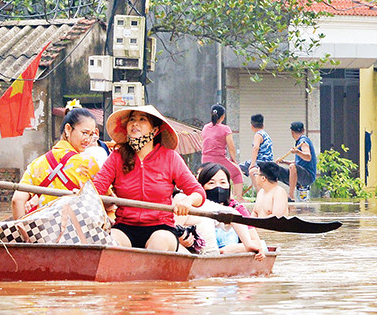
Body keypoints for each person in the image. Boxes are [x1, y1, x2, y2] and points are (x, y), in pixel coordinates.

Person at [93, 105, 207, 251]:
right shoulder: (116, 157)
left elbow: (198, 192)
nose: (135, 123)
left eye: (142, 119)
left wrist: (188, 201)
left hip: (161, 228)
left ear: (155, 130)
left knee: (159, 243)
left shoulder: (170, 158)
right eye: (132, 119)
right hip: (125, 227)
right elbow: (96, 189)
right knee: (111, 243)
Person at [11, 107, 101, 219]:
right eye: (85, 133)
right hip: (77, 231)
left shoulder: (37, 164)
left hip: (42, 232)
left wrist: (24, 235)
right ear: (68, 129)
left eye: (91, 134)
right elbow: (107, 202)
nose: (88, 139)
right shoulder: (88, 164)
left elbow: (17, 200)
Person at [195, 163, 267, 259]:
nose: (218, 187)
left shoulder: (237, 209)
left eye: (223, 182)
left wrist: (226, 250)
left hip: (229, 255)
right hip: (203, 254)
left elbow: (256, 243)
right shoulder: (195, 208)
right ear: (202, 187)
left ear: (229, 186)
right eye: (211, 183)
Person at [201, 104, 243, 200]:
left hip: (205, 159)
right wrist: (233, 159)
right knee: (237, 173)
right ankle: (239, 198)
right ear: (223, 116)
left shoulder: (205, 127)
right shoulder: (225, 128)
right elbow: (231, 146)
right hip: (218, 158)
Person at [276, 122, 317, 202]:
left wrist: (297, 152)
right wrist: (284, 161)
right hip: (300, 174)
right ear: (303, 130)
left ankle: (291, 195)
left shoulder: (303, 141)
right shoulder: (299, 141)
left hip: (308, 177)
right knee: (276, 169)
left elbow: (308, 157)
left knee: (292, 166)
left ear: (292, 132)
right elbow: (299, 162)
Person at [239, 114, 274, 193]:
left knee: (238, 169)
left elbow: (256, 148)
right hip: (268, 161)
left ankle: (258, 192)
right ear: (263, 125)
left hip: (261, 161)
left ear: (252, 126)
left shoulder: (258, 134)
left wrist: (252, 164)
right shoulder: (266, 135)